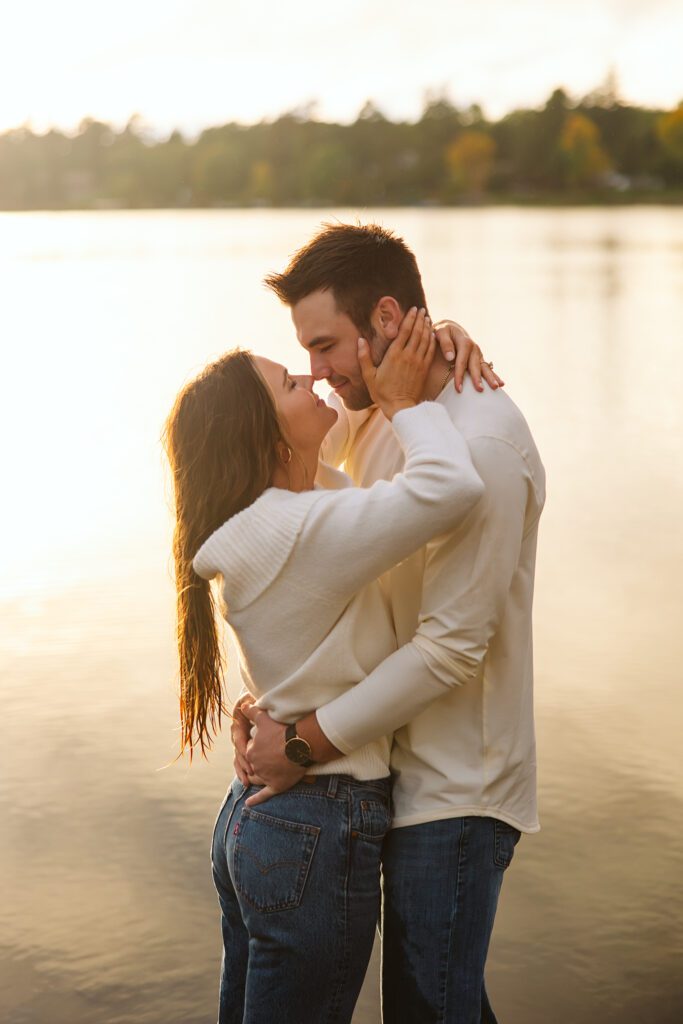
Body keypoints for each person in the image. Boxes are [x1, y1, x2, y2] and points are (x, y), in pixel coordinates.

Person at [235, 222, 546, 1024]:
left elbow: (449, 650)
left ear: (381, 318)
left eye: (325, 345)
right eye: (305, 354)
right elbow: (288, 456)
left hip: (456, 791)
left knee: (428, 1010)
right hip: (384, 775)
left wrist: (302, 742)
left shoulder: (483, 445)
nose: (318, 373)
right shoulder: (384, 410)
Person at [163, 308, 487, 1024]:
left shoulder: (280, 515)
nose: (312, 377)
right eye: (289, 383)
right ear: (266, 437)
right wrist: (407, 401)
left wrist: (433, 349)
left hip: (264, 823)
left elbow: (351, 447)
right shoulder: (294, 530)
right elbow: (448, 489)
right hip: (316, 818)